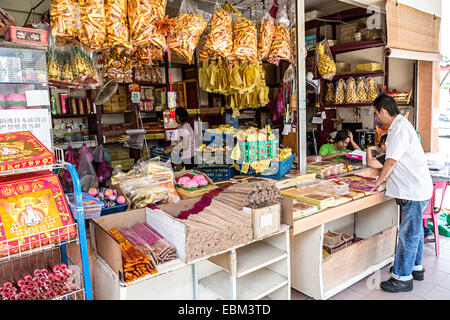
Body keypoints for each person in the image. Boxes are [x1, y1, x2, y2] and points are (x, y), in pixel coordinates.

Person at [371, 95, 433, 293]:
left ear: (383, 111)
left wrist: (379, 180)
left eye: (376, 114)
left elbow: (391, 162)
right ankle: (414, 268)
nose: (377, 118)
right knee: (414, 233)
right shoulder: (402, 125)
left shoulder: (398, 129)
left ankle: (402, 278)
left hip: (413, 191)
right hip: (417, 189)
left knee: (408, 235)